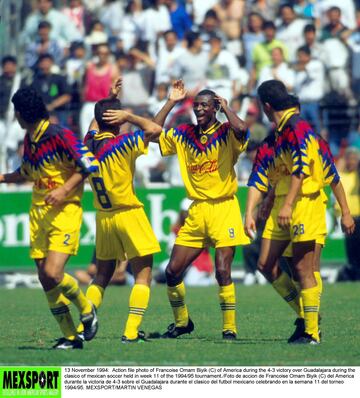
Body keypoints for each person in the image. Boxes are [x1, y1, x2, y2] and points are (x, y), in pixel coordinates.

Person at [139, 80, 250, 339]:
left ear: (214, 109)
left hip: (224, 208)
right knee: (171, 271)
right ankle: (182, 323)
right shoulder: (184, 133)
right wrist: (171, 101)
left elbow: (243, 129)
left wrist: (226, 108)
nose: (199, 109)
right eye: (196, 105)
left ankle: (229, 328)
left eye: (205, 106)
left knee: (223, 270)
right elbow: (152, 133)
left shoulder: (226, 132)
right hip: (197, 210)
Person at [248, 80, 354, 344]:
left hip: (306, 203)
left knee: (304, 268)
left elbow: (322, 173)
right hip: (285, 204)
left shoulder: (300, 129)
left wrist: (346, 211)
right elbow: (259, 178)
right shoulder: (274, 138)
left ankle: (312, 332)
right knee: (265, 264)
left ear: (266, 106)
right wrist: (253, 209)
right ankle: (307, 316)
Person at [0, 87, 99, 349]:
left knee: (53, 273)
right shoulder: (29, 139)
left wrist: (65, 189)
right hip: (39, 213)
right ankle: (70, 337)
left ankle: (87, 309)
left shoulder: (59, 134)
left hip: (65, 212)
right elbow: (28, 171)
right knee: (45, 278)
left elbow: (90, 163)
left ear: (20, 113)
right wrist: (2, 177)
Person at [81, 78, 162, 343]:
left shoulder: (88, 143)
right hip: (128, 212)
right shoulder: (123, 143)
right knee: (143, 273)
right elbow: (155, 129)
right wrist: (129, 115)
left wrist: (107, 98)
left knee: (102, 275)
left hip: (104, 217)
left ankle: (85, 321)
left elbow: (95, 123)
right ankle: (130, 332)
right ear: (115, 120)